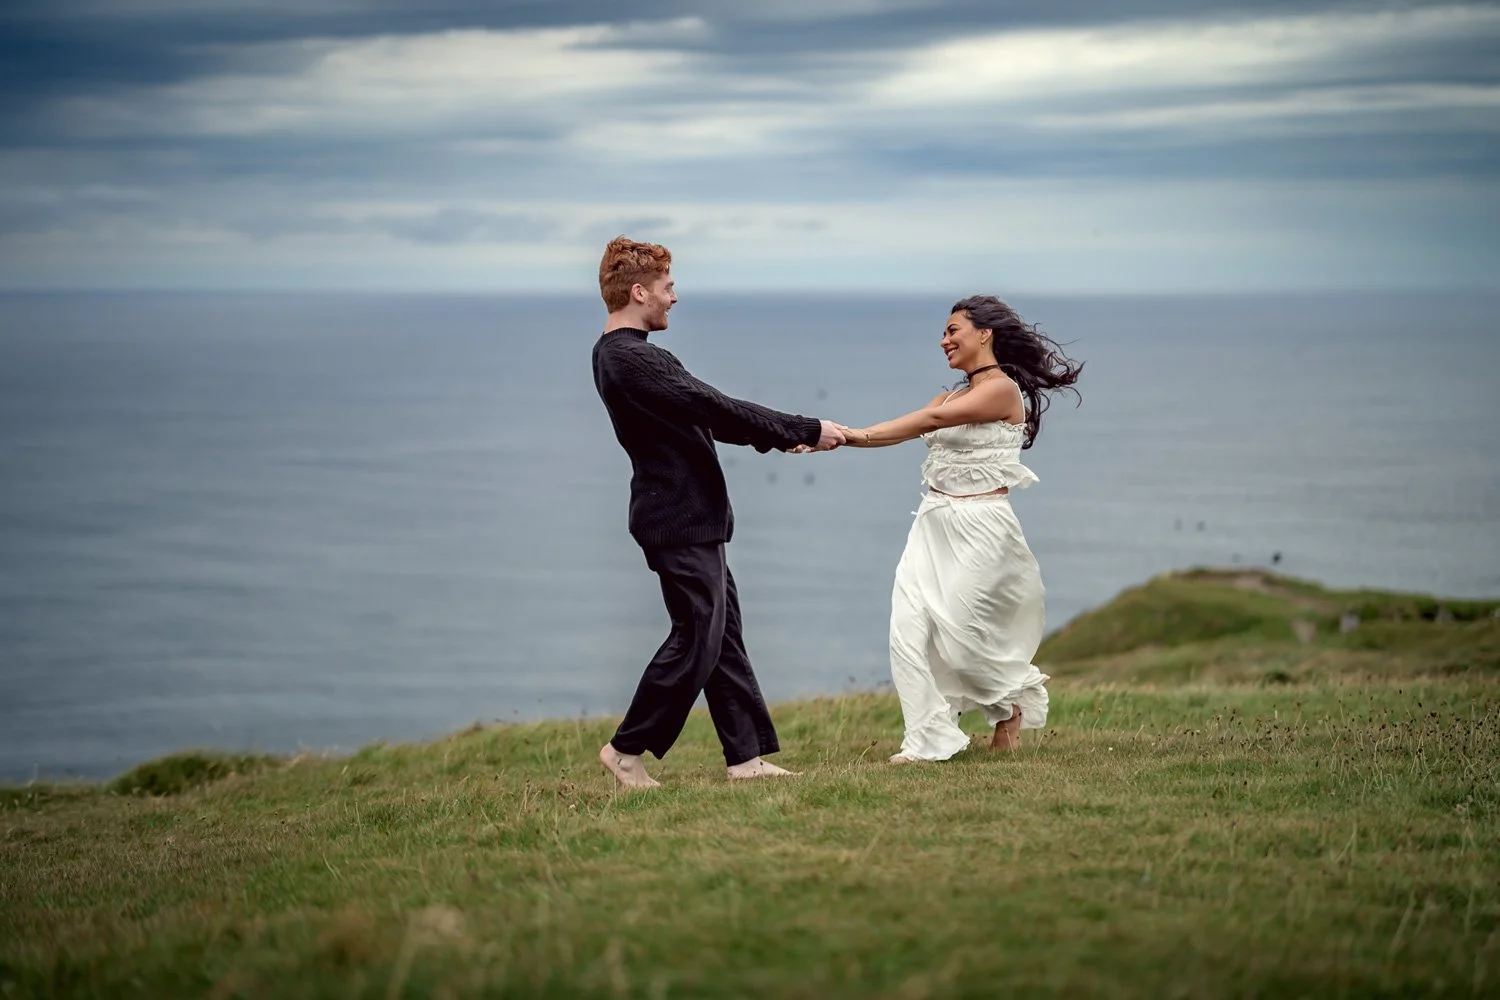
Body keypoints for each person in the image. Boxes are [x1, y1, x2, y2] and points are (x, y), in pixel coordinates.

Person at [591, 236, 846, 788]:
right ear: (640, 292)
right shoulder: (633, 359)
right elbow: (715, 405)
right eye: (667, 287)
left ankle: (746, 759)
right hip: (675, 519)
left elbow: (710, 422)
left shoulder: (627, 355)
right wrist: (804, 427)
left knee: (721, 633)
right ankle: (625, 749)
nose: (674, 297)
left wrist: (781, 439)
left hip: (689, 516)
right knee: (698, 634)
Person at [835, 296, 1082, 762]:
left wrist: (852, 434)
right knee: (907, 632)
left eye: (953, 330)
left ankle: (1010, 707)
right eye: (944, 333)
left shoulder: (1001, 391)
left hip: (981, 528)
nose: (943, 340)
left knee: (963, 638)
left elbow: (928, 422)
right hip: (931, 524)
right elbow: (909, 427)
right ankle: (926, 740)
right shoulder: (948, 395)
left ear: (984, 334)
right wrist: (835, 440)